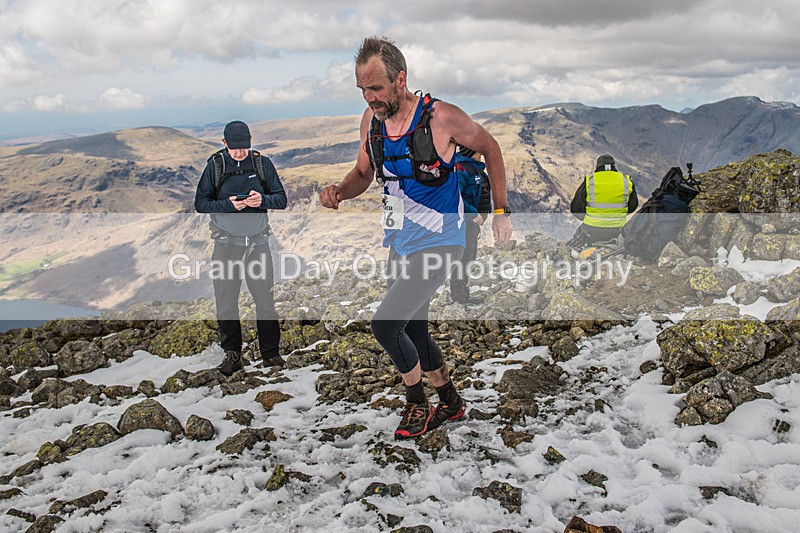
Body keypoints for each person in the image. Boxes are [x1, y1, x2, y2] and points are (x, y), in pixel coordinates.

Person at [319, 36, 512, 439]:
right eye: (362, 90)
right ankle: (452, 403)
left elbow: (490, 147)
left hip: (442, 241)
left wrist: (500, 211)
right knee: (414, 330)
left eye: (375, 88)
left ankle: (416, 404)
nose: (369, 98)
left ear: (400, 79)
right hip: (400, 241)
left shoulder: (441, 118)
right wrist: (339, 190)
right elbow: (363, 174)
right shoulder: (371, 122)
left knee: (386, 326)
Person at [195, 121, 288, 376]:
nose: (239, 153)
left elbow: (281, 199)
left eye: (243, 147)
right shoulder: (215, 166)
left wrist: (263, 200)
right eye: (234, 148)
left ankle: (271, 355)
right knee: (226, 301)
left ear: (250, 140)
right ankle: (233, 355)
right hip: (226, 245)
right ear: (224, 144)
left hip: (257, 243)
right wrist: (227, 205)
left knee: (265, 299)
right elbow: (201, 203)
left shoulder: (262, 164)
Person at [449, 145, 491, 305]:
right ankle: (459, 299)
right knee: (463, 258)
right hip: (463, 224)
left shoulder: (475, 169)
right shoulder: (462, 169)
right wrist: (473, 214)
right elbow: (455, 196)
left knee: (468, 257)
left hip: (472, 225)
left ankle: (462, 295)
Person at [569, 154, 638, 248]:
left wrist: (588, 217)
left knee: (576, 243)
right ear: (613, 166)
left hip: (591, 230)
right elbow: (633, 206)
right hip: (618, 230)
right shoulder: (626, 181)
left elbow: (576, 208)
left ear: (597, 166)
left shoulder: (590, 180)